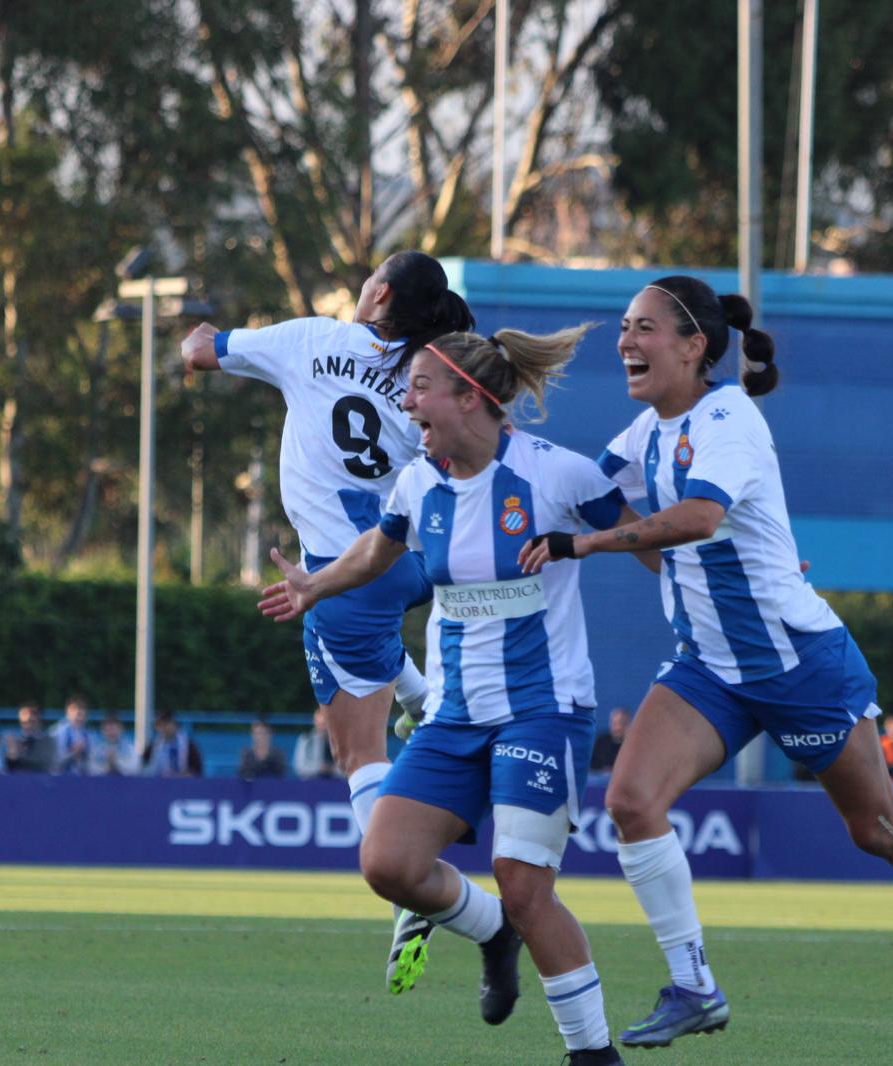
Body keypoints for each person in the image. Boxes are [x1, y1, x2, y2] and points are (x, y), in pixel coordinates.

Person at [531, 276, 893, 1064]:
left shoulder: (727, 416)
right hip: (711, 669)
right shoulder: (643, 433)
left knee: (879, 829)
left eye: (645, 327)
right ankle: (694, 985)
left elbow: (700, 517)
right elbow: (593, 494)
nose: (627, 341)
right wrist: (500, 446)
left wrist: (586, 547)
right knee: (629, 801)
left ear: (694, 346)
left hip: (799, 665)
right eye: (625, 326)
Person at [260, 325, 639, 1064]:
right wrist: (315, 583)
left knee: (526, 885)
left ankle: (592, 1055)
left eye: (421, 391)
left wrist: (727, 566)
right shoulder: (418, 482)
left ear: (471, 398)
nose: (407, 405)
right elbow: (380, 548)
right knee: (387, 865)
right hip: (454, 717)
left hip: (543, 709)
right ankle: (493, 934)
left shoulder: (556, 476)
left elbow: (641, 534)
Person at [182, 249, 476, 983]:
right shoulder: (428, 373)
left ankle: (412, 888)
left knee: (356, 754)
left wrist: (202, 331)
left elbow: (199, 354)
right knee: (380, 664)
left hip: (345, 574)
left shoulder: (313, 339)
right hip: (409, 561)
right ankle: (424, 701)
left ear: (376, 293)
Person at [144, 710, 204, 778]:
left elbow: (197, 770)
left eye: (167, 723)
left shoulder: (188, 745)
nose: (164, 728)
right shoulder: (154, 746)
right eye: (160, 725)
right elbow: (143, 766)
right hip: (160, 784)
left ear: (175, 724)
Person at [6, 703, 55, 773]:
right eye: (23, 723)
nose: (27, 726)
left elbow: (43, 765)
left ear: (39, 720)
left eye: (31, 722)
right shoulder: (18, 741)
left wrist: (20, 755)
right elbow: (9, 770)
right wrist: (12, 756)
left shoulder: (48, 741)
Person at [50, 696, 93, 775]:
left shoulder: (87, 734)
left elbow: (90, 764)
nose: (79, 716)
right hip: (60, 779)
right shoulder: (56, 732)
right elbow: (53, 763)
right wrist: (73, 753)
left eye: (82, 713)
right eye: (75, 711)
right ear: (67, 712)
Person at [293, 707, 340, 780]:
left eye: (325, 723)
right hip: (312, 783)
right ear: (315, 723)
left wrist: (332, 770)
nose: (323, 727)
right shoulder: (306, 739)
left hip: (336, 783)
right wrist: (318, 768)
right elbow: (300, 767)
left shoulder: (339, 742)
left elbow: (347, 769)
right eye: (320, 724)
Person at [591, 708, 632, 773]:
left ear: (628, 724)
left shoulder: (633, 744)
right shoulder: (602, 741)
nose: (617, 727)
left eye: (621, 723)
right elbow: (593, 765)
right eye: (614, 723)